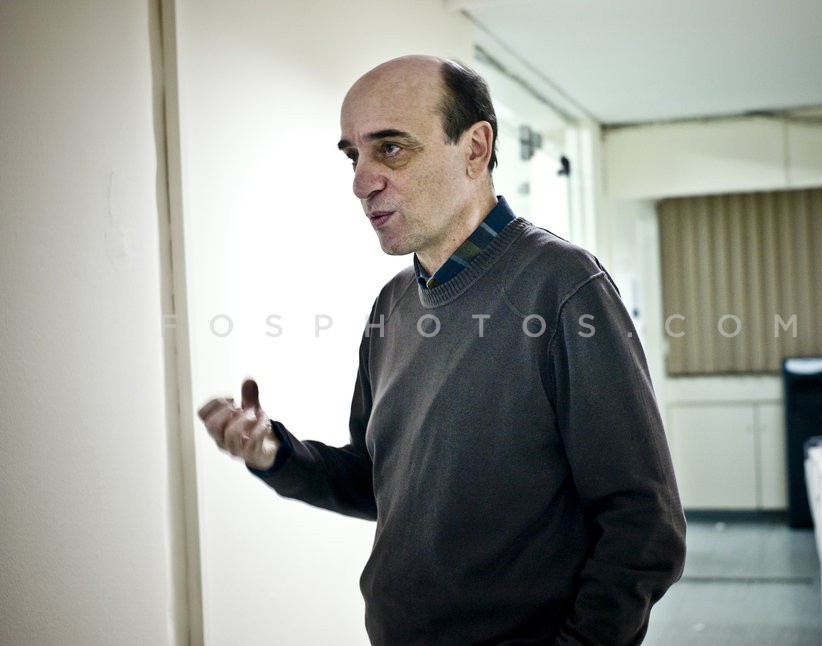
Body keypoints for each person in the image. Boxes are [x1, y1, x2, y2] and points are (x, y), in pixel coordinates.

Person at [198, 54, 685, 646]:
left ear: (475, 150)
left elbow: (644, 526)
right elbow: (378, 480)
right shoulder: (393, 304)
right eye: (353, 156)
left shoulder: (563, 287)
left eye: (391, 149)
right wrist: (277, 453)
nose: (361, 182)